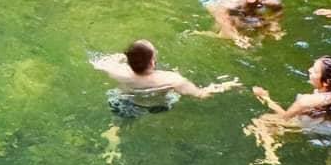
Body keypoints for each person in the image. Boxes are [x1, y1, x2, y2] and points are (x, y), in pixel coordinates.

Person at [246, 56, 331, 165]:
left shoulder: (307, 101)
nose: (309, 70)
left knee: (262, 120)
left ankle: (270, 155)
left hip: (321, 127)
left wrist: (265, 97)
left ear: (326, 82)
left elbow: (284, 117)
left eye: (314, 71)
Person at [91, 40, 241, 106]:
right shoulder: (171, 79)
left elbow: (98, 62)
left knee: (119, 121)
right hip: (158, 106)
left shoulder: (118, 71)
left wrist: (122, 56)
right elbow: (201, 94)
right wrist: (227, 85)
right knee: (171, 99)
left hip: (127, 102)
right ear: (152, 62)